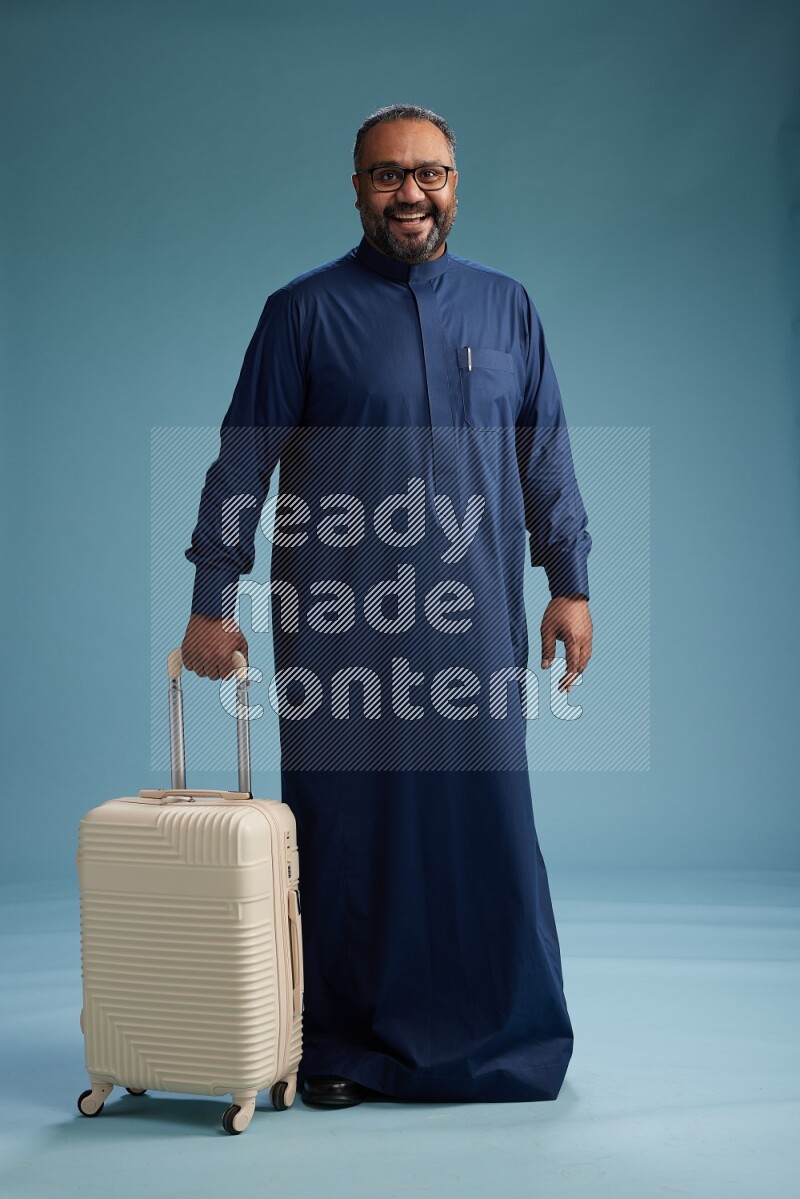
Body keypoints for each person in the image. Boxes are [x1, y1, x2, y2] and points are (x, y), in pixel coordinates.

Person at [181, 103, 593, 1108]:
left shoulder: (506, 310)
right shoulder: (302, 312)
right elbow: (242, 460)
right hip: (339, 621)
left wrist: (569, 583)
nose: (410, 192)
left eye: (430, 173)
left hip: (477, 622)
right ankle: (344, 1046)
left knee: (480, 824)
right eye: (386, 175)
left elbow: (544, 453)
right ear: (356, 187)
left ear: (456, 183)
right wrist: (210, 598)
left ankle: (504, 1038)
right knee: (348, 831)